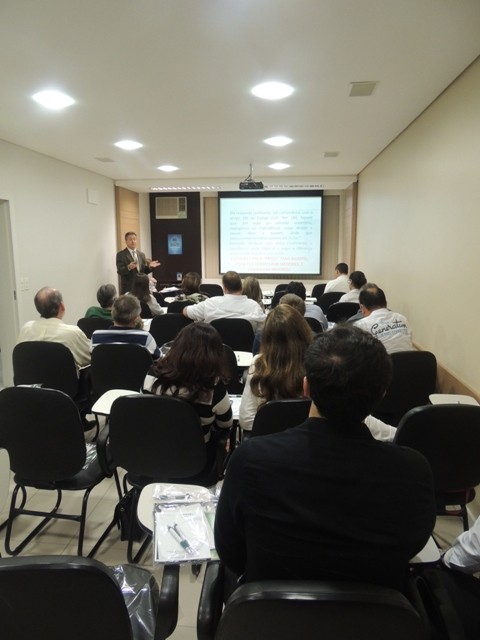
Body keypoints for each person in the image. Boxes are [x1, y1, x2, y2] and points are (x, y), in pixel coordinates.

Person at [215, 324, 435, 590]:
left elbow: (231, 551)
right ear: (382, 394)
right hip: (377, 611)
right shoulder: (413, 470)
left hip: (270, 610)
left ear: (306, 387)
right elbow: (412, 546)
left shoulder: (250, 459)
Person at [143, 322, 233, 471]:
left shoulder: (152, 374)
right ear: (215, 354)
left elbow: (144, 410)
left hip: (153, 454)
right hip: (196, 459)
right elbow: (225, 423)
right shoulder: (213, 387)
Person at [239, 304, 312, 433]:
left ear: (266, 337)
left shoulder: (258, 363)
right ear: (304, 331)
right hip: (310, 440)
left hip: (267, 442)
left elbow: (246, 420)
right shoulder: (318, 362)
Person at [17, 286, 91, 374]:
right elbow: (90, 358)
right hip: (65, 383)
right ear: (61, 306)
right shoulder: (73, 333)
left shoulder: (26, 329)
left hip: (30, 382)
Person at [183, 271, 265, 332]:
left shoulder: (211, 303)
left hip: (214, 348)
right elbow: (262, 330)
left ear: (224, 288)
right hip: (246, 349)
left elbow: (186, 311)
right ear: (241, 287)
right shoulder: (254, 306)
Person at [90, 294, 160, 358]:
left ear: (112, 314)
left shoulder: (96, 337)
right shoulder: (145, 338)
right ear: (135, 320)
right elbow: (158, 358)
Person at [354, 283, 413, 353]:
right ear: (386, 303)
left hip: (381, 360)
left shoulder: (360, 325)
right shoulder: (402, 318)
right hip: (409, 359)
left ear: (362, 307)